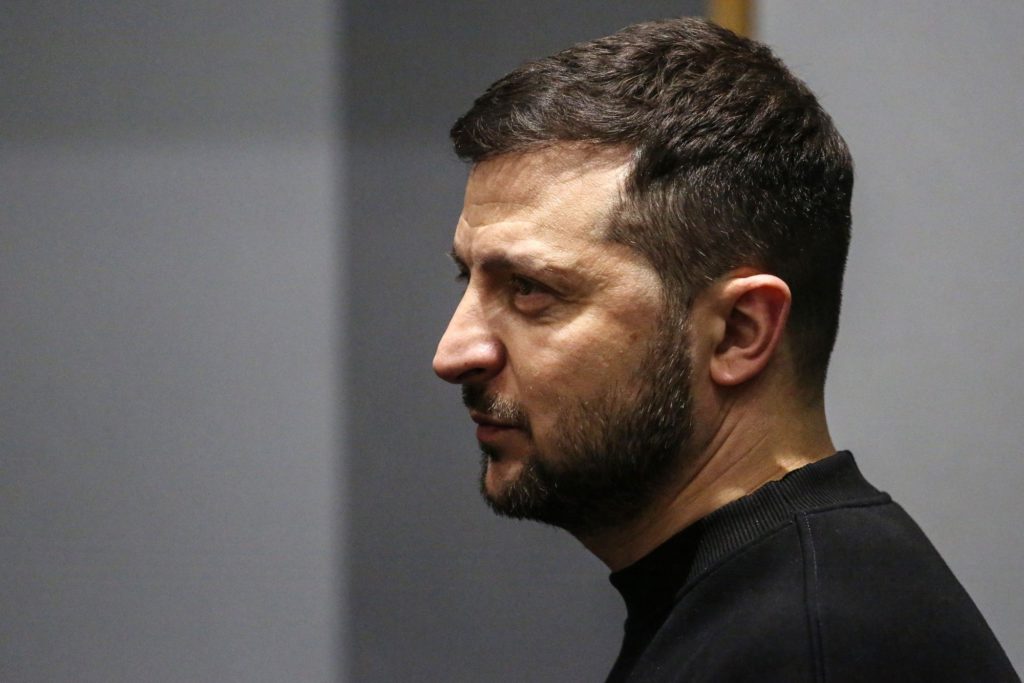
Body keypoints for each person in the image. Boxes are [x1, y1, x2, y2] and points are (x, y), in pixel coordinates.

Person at [432, 17, 1019, 682]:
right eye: (467, 277)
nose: (453, 353)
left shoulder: (808, 648)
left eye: (530, 289)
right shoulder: (766, 604)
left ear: (740, 331)